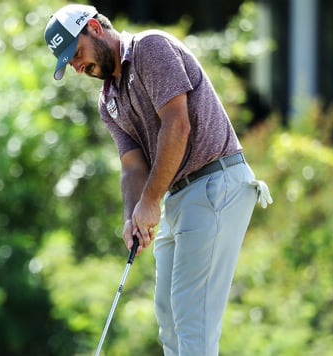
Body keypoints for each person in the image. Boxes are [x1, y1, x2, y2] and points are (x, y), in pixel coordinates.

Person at [44, 4, 273, 356]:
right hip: (178, 196)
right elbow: (132, 165)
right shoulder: (109, 100)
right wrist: (131, 215)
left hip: (215, 182)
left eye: (76, 53)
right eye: (70, 64)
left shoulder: (150, 48)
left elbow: (177, 125)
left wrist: (150, 201)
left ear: (93, 27)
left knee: (190, 319)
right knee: (168, 317)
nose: (77, 67)